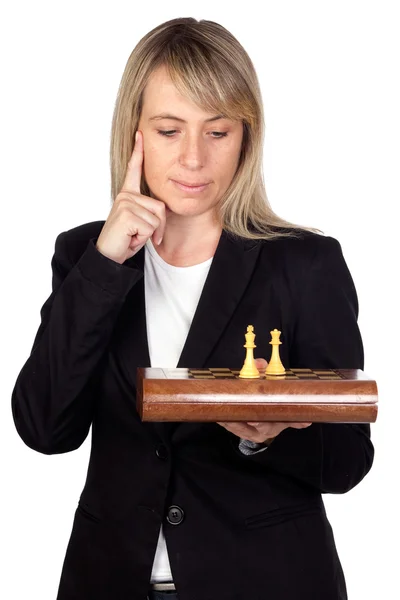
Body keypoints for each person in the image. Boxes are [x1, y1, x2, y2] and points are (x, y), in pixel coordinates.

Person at [11, 17, 374, 600]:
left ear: (246, 137)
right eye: (169, 129)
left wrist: (266, 436)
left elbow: (350, 460)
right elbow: (44, 427)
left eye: (218, 131)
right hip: (109, 581)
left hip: (267, 582)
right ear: (135, 133)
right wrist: (106, 265)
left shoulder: (305, 264)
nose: (194, 159)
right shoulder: (85, 255)